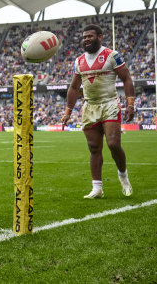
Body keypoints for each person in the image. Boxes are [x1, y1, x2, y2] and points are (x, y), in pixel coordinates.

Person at [61, 24, 134, 199]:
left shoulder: (111, 56)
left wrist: (130, 104)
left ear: (100, 37)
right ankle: (97, 188)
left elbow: (126, 78)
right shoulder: (79, 61)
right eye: (84, 37)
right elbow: (73, 87)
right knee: (94, 148)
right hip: (90, 106)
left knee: (113, 144)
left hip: (109, 104)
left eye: (90, 36)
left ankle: (123, 176)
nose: (86, 39)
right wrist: (68, 111)